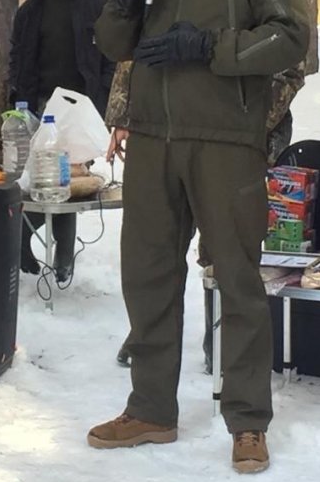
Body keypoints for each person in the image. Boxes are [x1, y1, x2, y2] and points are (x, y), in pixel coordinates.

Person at [89, 0, 310, 473]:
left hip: (224, 139)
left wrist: (210, 46)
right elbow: (111, 45)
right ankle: (151, 410)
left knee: (237, 279)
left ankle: (247, 422)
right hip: (154, 138)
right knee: (149, 275)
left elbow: (291, 36)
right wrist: (125, 5)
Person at [107, 61, 305, 371]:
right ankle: (148, 339)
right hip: (167, 129)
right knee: (158, 247)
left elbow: (289, 61)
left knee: (226, 246)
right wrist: (124, 114)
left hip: (240, 134)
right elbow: (135, 46)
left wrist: (248, 123)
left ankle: (223, 342)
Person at [9, 0, 115, 281]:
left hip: (79, 106)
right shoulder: (32, 7)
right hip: (39, 103)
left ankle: (64, 256)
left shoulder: (96, 4)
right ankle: (24, 239)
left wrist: (103, 100)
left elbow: (110, 55)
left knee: (67, 181)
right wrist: (18, 99)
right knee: (37, 178)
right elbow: (17, 55)